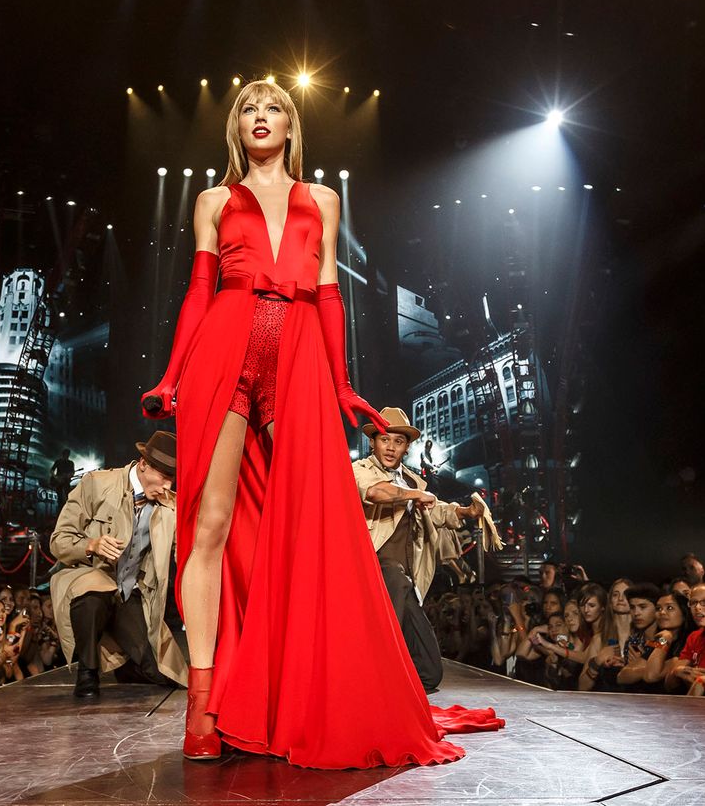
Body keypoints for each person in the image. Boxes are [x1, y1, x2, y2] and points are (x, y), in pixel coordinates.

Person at [141, 80, 503, 767]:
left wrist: (340, 382)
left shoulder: (322, 200)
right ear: (235, 127)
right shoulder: (214, 200)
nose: (259, 117)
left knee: (317, 523)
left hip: (301, 351)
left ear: (291, 125)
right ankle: (202, 704)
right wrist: (169, 373)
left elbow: (331, 291)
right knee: (209, 522)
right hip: (226, 344)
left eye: (272, 107)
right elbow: (198, 288)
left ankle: (308, 687)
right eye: (247, 109)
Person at [351, 406, 501, 692]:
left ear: (407, 447)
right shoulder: (360, 470)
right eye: (385, 439)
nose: (391, 447)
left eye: (398, 441)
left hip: (407, 582)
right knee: (393, 578)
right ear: (373, 442)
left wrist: (467, 511)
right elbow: (376, 492)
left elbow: (435, 509)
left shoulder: (412, 481)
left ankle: (396, 693)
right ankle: (371, 680)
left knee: (430, 674)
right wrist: (416, 494)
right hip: (371, 571)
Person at [50, 430, 187, 698]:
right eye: (164, 476)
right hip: (90, 581)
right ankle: (87, 671)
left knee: (162, 674)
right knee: (91, 597)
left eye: (173, 479)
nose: (168, 486)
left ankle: (128, 664)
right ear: (144, 464)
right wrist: (91, 545)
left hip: (130, 591)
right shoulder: (97, 484)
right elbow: (58, 540)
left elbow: (183, 551)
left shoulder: (170, 505)